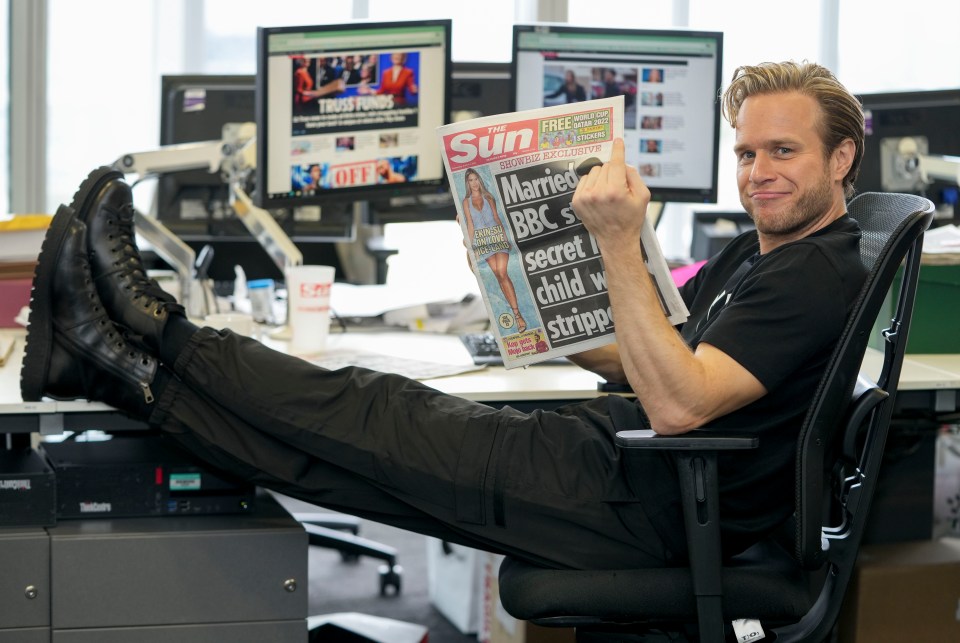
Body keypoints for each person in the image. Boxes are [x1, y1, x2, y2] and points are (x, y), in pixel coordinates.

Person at [20, 61, 867, 571]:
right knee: (327, 465)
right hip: (627, 472)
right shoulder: (763, 252)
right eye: (748, 152)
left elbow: (681, 405)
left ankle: (153, 325)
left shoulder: (813, 275)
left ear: (841, 156)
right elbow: (669, 366)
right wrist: (524, 301)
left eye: (782, 151)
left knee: (368, 407)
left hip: (640, 505)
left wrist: (617, 243)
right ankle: (116, 369)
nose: (758, 173)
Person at [460, 168, 528, 334]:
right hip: (482, 241)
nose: (474, 183)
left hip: (497, 236)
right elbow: (470, 224)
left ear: (480, 181)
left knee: (502, 272)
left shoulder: (489, 197)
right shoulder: (466, 202)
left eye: (476, 179)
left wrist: (506, 238)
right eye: (471, 180)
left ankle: (518, 316)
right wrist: (471, 246)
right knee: (497, 276)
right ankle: (515, 313)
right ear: (467, 183)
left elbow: (497, 218)